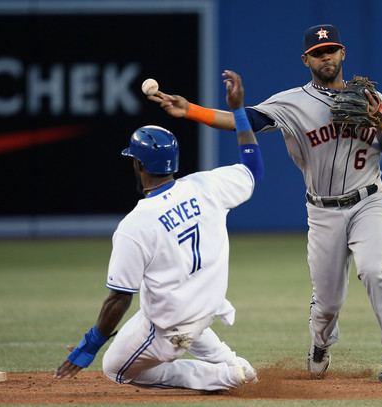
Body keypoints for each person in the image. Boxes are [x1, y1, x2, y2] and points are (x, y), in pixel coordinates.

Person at [148, 24, 382, 382]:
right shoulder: (291, 102)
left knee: (374, 270)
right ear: (306, 59)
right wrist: (191, 111)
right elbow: (246, 120)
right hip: (323, 211)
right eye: (319, 53)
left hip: (370, 202)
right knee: (327, 304)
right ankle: (321, 342)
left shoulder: (373, 100)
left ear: (343, 53)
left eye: (331, 50)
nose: (326, 57)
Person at [54, 70, 264, 391]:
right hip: (207, 308)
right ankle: (230, 361)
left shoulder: (135, 225)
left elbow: (119, 299)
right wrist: (237, 109)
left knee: (116, 370)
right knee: (171, 310)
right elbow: (252, 167)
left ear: (138, 165)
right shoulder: (206, 185)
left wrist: (89, 346)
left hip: (171, 328)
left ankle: (223, 376)